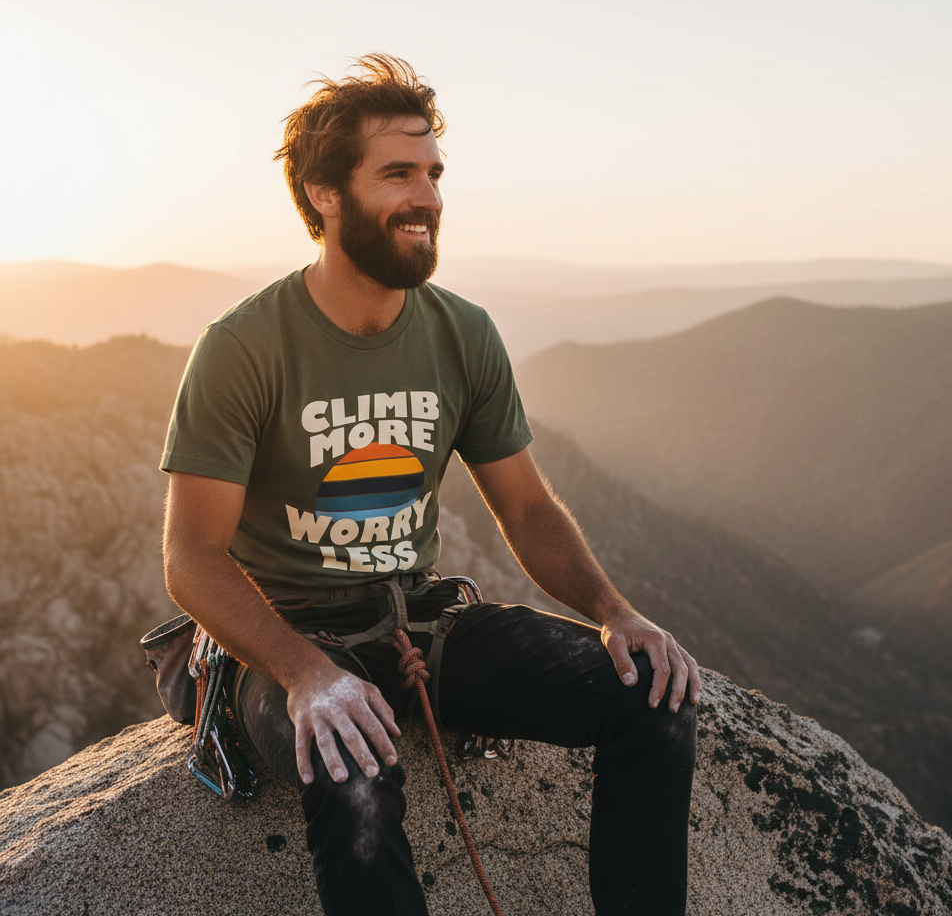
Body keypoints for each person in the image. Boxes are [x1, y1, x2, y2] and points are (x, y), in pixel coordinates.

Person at [161, 53, 700, 915]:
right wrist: (305, 676)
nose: (429, 197)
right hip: (290, 636)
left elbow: (524, 507)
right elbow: (190, 559)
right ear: (326, 195)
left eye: (435, 174)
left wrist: (614, 613)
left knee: (652, 701)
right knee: (354, 772)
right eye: (398, 174)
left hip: (420, 618)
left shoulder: (461, 334)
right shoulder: (244, 347)